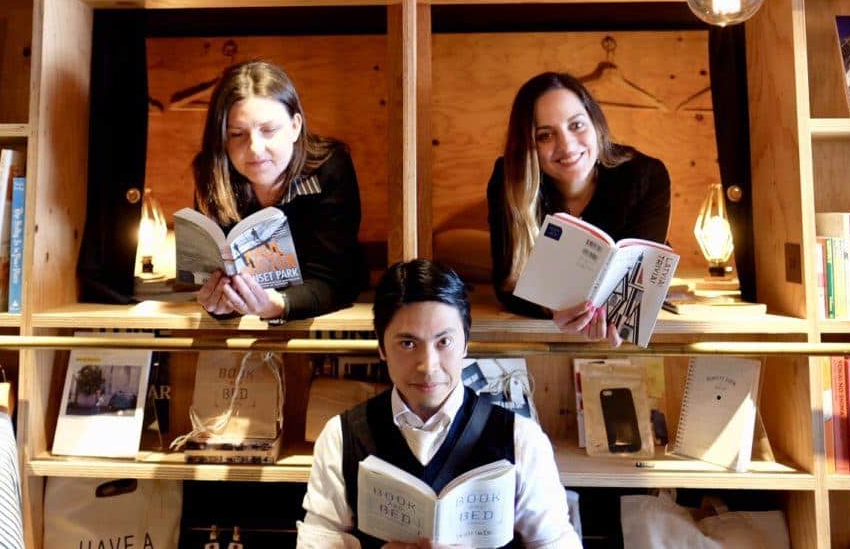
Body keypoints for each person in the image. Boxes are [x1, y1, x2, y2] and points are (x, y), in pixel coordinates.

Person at [298, 259, 581, 548]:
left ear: (466, 343)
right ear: (382, 348)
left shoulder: (521, 439)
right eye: (408, 344)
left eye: (444, 342)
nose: (428, 366)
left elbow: (556, 541)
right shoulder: (341, 437)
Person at [487, 72, 671, 343]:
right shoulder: (509, 178)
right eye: (545, 135)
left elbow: (642, 284)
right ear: (530, 146)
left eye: (576, 125)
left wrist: (617, 318)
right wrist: (551, 310)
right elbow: (507, 284)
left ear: (596, 124)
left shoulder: (645, 175)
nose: (567, 145)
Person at [194, 60, 367, 321]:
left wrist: (277, 304)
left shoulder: (330, 168)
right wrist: (217, 303)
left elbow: (333, 279)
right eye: (237, 134)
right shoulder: (214, 173)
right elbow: (214, 281)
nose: (254, 148)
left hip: (322, 313)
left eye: (268, 130)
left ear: (295, 126)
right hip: (249, 322)